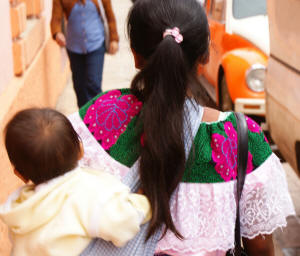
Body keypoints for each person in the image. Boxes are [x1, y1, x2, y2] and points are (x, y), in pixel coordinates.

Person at [69, 0, 295, 255]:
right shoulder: (240, 140)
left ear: (135, 54)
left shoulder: (101, 117)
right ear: (205, 55)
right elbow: (261, 248)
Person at [0, 108, 151, 256]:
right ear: (80, 149)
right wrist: (144, 202)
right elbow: (124, 224)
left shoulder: (18, 209)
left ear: (20, 175)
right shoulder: (87, 192)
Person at [51, 0, 119, 108]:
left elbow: (110, 16)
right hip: (74, 47)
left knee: (94, 84)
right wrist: (57, 33)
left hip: (96, 44)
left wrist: (114, 39)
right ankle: (84, 117)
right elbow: (56, 19)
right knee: (79, 86)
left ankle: (98, 115)